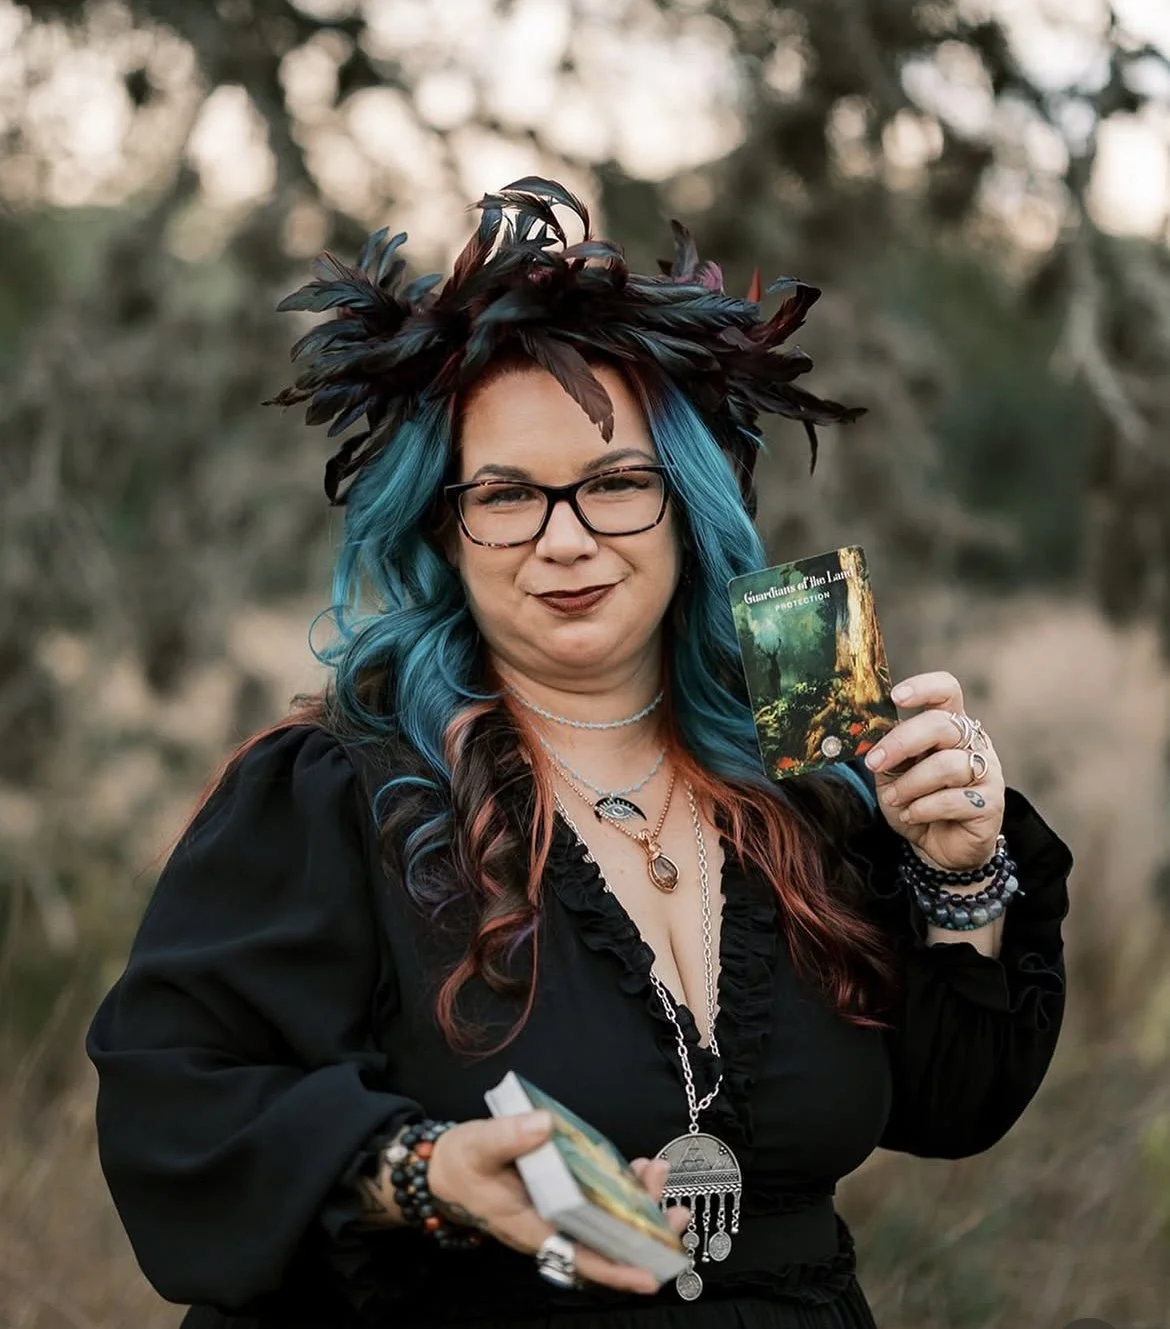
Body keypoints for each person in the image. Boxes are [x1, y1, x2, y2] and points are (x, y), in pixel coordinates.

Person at [88, 179, 1072, 1329]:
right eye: (508, 495)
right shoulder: (341, 791)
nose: (566, 540)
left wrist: (959, 875)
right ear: (445, 527)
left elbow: (953, 1106)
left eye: (615, 485)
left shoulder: (807, 757)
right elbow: (178, 1105)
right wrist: (422, 1172)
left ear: (688, 507)